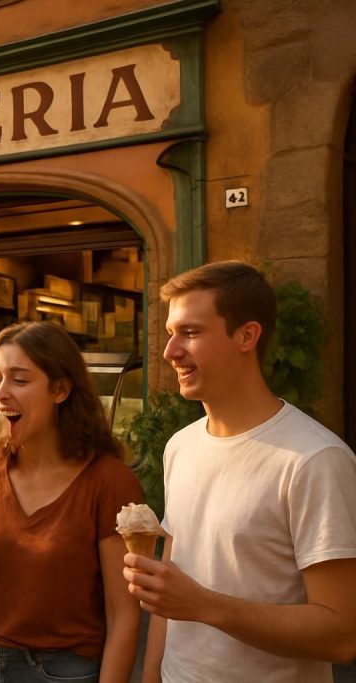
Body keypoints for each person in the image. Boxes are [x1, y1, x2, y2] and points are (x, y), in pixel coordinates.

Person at [126, 261, 356, 682]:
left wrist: (204, 605)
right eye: (171, 333)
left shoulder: (314, 459)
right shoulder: (181, 446)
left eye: (191, 333)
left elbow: (340, 635)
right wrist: (152, 675)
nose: (169, 351)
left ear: (247, 335)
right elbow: (170, 590)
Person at [0, 321, 143, 683]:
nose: (1, 393)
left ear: (60, 389)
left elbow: (124, 616)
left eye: (19, 379)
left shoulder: (108, 481)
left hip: (63, 670)